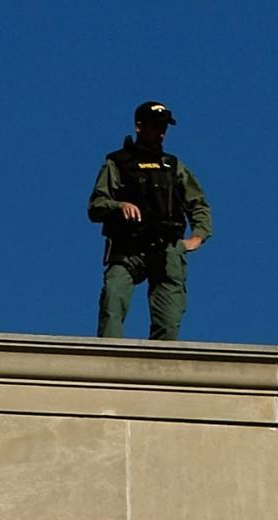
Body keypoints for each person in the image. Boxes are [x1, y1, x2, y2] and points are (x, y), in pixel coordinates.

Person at [88, 100, 211, 340]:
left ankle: (161, 369)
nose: (161, 133)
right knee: (113, 299)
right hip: (128, 247)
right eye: (156, 126)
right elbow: (96, 206)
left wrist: (199, 235)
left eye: (164, 127)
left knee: (169, 318)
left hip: (166, 248)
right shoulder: (118, 163)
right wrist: (119, 205)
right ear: (139, 126)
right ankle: (109, 361)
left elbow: (199, 204)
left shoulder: (173, 166)